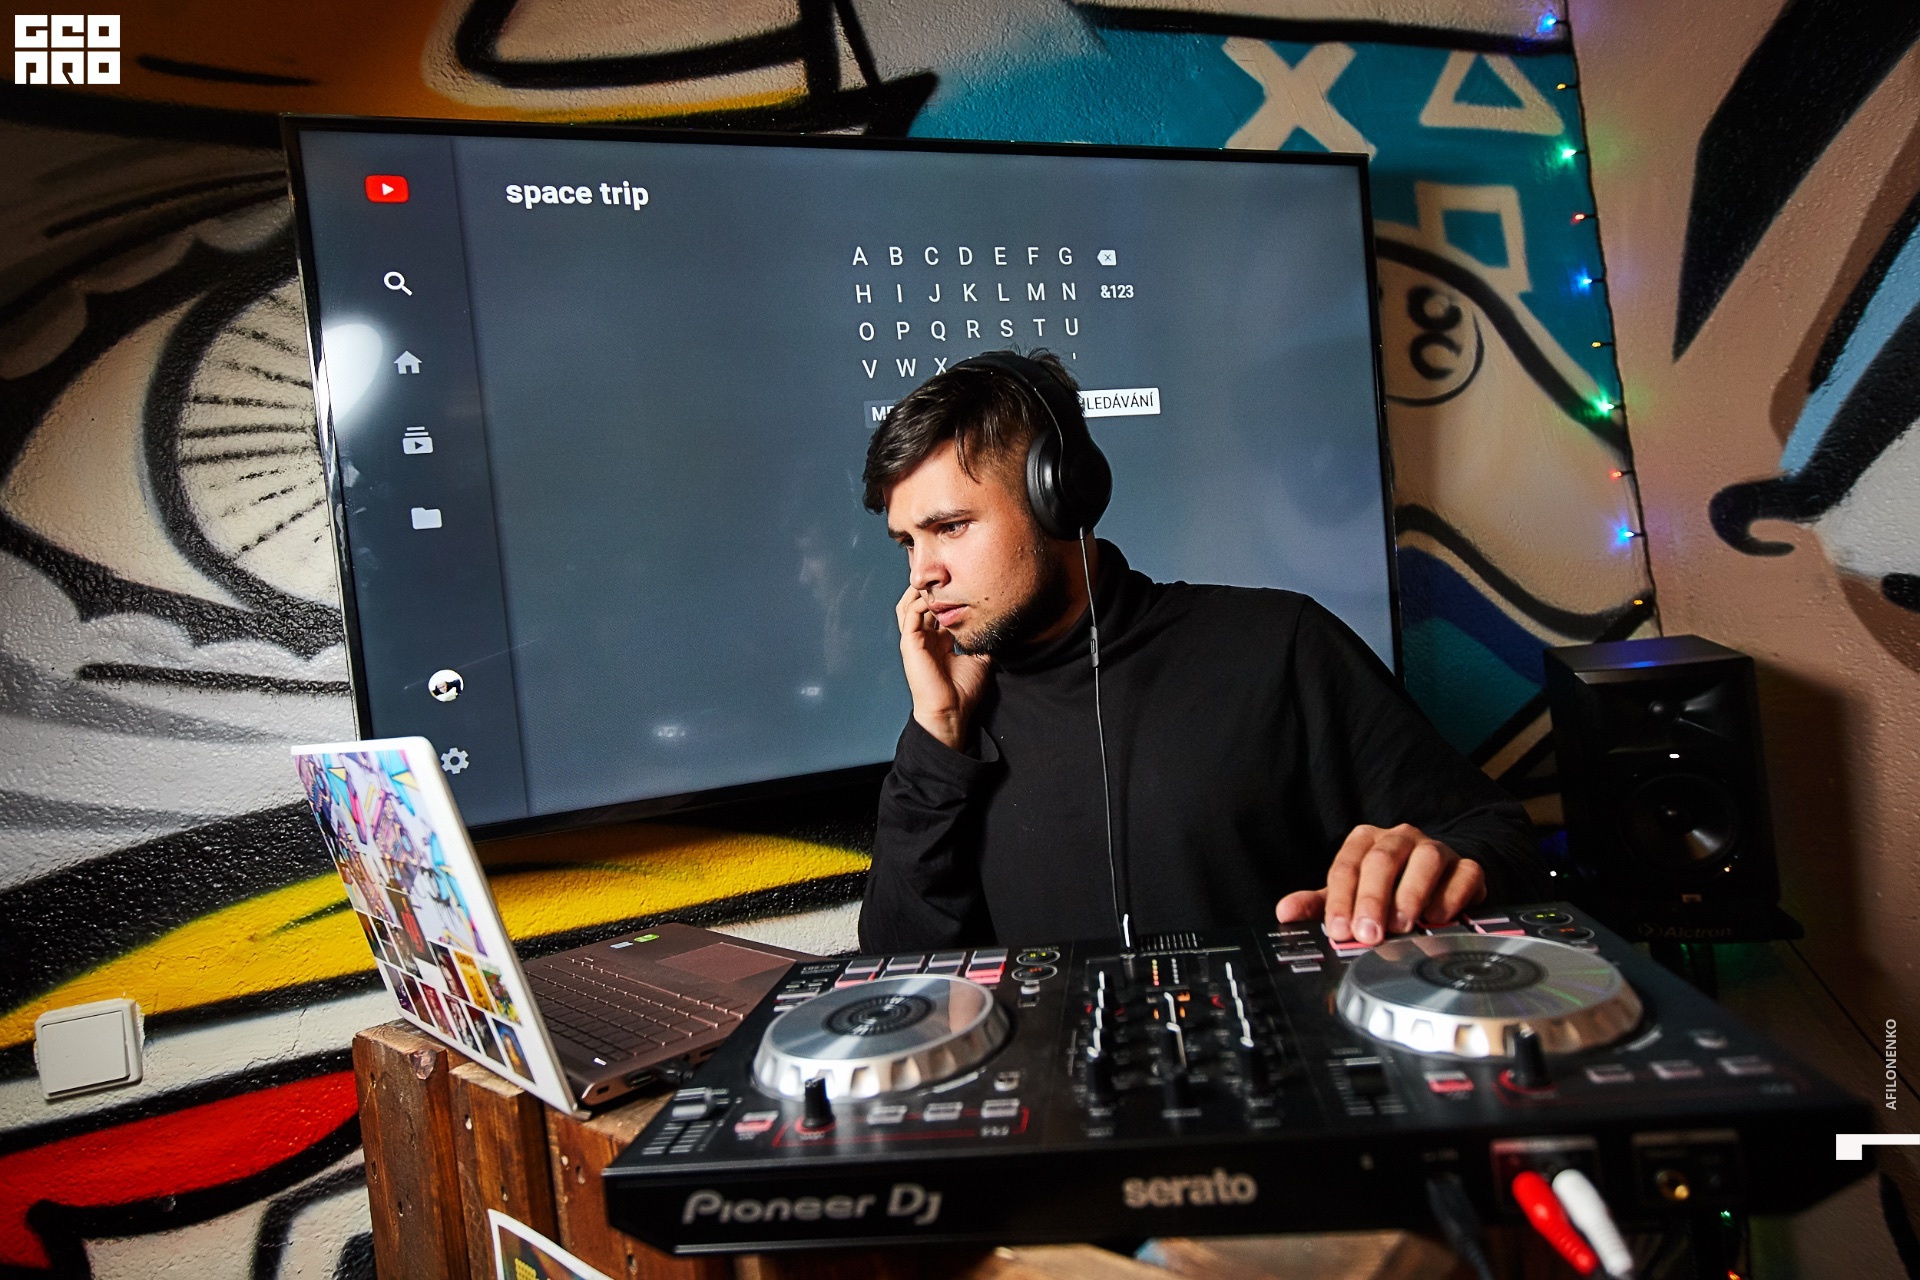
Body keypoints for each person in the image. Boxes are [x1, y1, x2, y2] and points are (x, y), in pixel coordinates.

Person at [856, 349, 1546, 953]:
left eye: (950, 527)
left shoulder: (1278, 646)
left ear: (1060, 498)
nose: (922, 574)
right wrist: (937, 737)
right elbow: (897, 968)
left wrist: (1433, 865)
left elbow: (1495, 834)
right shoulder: (951, 724)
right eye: (908, 542)